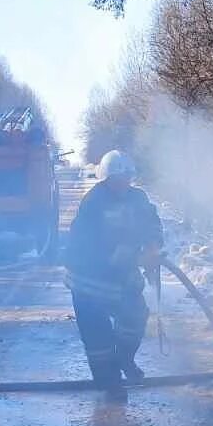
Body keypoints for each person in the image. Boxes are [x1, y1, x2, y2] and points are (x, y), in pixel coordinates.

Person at [65, 150, 163, 389]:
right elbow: (83, 244)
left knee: (135, 318)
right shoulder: (93, 202)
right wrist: (119, 256)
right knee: (99, 344)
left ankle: (124, 360)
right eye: (118, 179)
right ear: (107, 179)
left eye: (127, 178)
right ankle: (108, 388)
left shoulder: (138, 198)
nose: (123, 184)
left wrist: (153, 246)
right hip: (88, 283)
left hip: (122, 279)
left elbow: (152, 223)